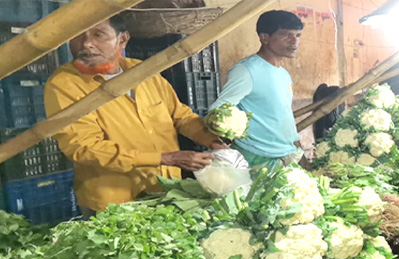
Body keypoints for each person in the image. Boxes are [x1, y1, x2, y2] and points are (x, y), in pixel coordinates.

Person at [44, 16, 227, 218]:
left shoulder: (142, 71)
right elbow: (84, 147)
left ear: (122, 39)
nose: (86, 43)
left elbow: (180, 116)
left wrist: (212, 140)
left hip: (167, 190)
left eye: (98, 35)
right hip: (114, 204)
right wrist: (165, 158)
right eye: (77, 36)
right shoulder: (64, 85)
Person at [209, 10, 306, 173]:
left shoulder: (283, 74)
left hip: (287, 155)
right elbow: (218, 110)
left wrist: (297, 147)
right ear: (264, 37)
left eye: (297, 35)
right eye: (286, 35)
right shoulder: (246, 71)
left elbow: (284, 115)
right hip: (257, 160)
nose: (294, 41)